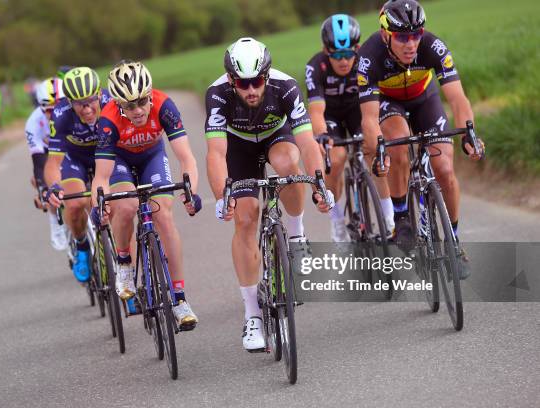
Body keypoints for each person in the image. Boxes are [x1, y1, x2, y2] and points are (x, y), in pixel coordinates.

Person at [205, 37, 333, 351]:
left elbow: (307, 143)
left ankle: (297, 235)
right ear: (231, 80)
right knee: (246, 216)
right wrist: (223, 195)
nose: (250, 90)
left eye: (257, 81)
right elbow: (215, 153)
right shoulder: (217, 94)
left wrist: (320, 185)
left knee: (289, 163)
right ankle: (252, 316)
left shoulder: (286, 87)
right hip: (238, 146)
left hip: (278, 136)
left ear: (267, 74)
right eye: (242, 83)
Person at [358, 0, 485, 278]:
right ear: (385, 35)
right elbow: (368, 118)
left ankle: (454, 241)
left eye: (416, 35)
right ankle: (402, 216)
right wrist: (379, 150)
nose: (410, 43)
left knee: (445, 169)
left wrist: (468, 133)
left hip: (424, 99)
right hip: (389, 104)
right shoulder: (369, 57)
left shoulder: (433, 46)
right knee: (399, 143)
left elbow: (457, 98)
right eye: (402, 37)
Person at [92, 60, 201, 330]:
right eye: (130, 106)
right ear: (119, 104)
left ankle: (179, 299)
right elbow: (101, 178)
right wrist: (100, 204)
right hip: (119, 160)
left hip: (152, 156)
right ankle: (125, 263)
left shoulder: (164, 105)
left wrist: (191, 192)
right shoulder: (107, 121)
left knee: (163, 215)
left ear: (150, 94)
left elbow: (186, 158)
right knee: (126, 207)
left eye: (142, 101)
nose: (138, 110)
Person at [306, 14, 395, 242]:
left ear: (357, 47)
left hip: (358, 110)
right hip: (330, 114)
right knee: (335, 159)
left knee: (374, 151)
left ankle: (389, 218)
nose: (344, 61)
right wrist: (322, 136)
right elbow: (316, 111)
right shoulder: (316, 67)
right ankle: (336, 221)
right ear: (326, 51)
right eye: (337, 54)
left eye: (348, 54)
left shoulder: (366, 61)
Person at [45, 67, 111, 283]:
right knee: (74, 203)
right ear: (69, 101)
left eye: (91, 100)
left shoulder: (111, 103)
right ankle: (82, 246)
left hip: (105, 155)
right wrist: (54, 186)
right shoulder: (61, 114)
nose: (86, 108)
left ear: (99, 93)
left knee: (117, 204)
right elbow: (53, 161)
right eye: (78, 103)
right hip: (75, 160)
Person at [24, 77, 68, 251]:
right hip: (47, 154)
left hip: (70, 149)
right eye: (49, 110)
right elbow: (38, 161)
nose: (55, 113)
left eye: (59, 107)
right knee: (45, 184)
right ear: (41, 107)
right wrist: (43, 188)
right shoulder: (33, 124)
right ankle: (55, 224)